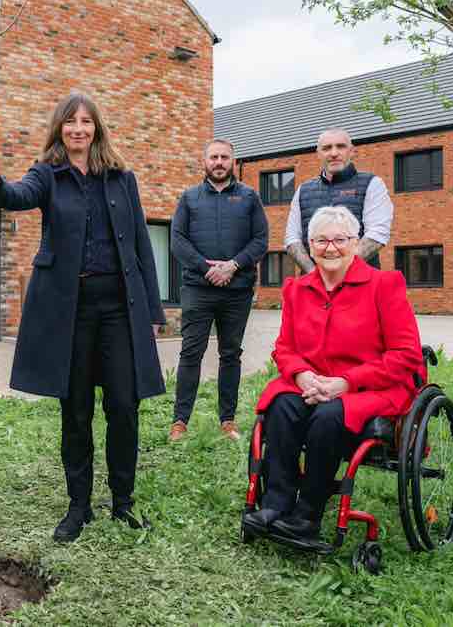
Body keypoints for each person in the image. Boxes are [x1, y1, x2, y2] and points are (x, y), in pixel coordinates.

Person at [0, 92, 165, 543]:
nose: (78, 129)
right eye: (70, 122)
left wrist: (153, 310)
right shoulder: (48, 175)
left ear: (97, 128)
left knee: (123, 405)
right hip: (70, 311)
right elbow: (18, 196)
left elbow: (140, 243)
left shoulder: (121, 178)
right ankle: (79, 506)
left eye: (86, 122)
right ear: (59, 128)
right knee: (75, 410)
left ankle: (123, 502)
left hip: (119, 307)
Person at [243, 206, 424, 543]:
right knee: (282, 405)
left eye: (340, 240)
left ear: (355, 244)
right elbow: (284, 348)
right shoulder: (298, 290)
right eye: (322, 240)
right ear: (310, 246)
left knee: (329, 415)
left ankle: (307, 514)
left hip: (371, 386)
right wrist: (301, 376)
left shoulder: (384, 285)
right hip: (313, 384)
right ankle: (276, 503)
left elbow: (406, 355)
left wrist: (346, 382)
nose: (331, 248)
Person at [168, 139, 268, 442]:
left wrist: (233, 266)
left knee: (230, 354)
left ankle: (228, 420)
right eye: (214, 157)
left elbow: (261, 240)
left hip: (237, 291)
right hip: (199, 288)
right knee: (190, 353)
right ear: (205, 161)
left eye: (225, 157)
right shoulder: (189, 198)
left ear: (233, 162)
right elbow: (177, 241)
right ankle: (179, 422)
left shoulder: (250, 198)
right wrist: (207, 268)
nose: (220, 162)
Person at [284, 129, 392, 273]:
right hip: (313, 287)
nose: (334, 153)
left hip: (360, 285)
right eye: (327, 148)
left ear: (351, 151)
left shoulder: (373, 184)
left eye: (340, 146)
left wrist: (337, 273)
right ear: (318, 154)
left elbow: (377, 234)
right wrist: (315, 275)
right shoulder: (302, 190)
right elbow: (292, 240)